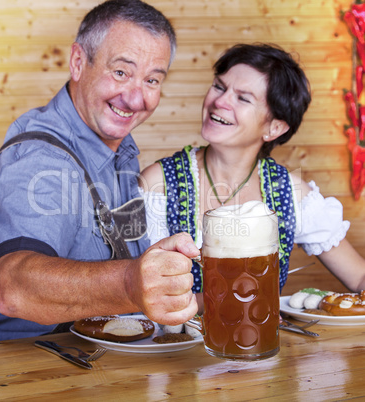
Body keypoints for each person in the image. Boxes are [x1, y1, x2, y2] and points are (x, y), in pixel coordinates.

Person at [0, 0, 200, 344]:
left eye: (151, 79)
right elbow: (14, 288)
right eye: (121, 72)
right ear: (78, 62)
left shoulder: (118, 147)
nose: (136, 98)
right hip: (4, 363)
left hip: (87, 356)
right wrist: (130, 283)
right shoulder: (41, 157)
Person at [139, 43, 365, 305]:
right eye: (219, 87)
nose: (220, 101)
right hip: (176, 345)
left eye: (243, 98)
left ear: (274, 128)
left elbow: (359, 277)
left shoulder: (290, 192)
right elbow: (137, 294)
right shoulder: (159, 183)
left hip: (258, 344)